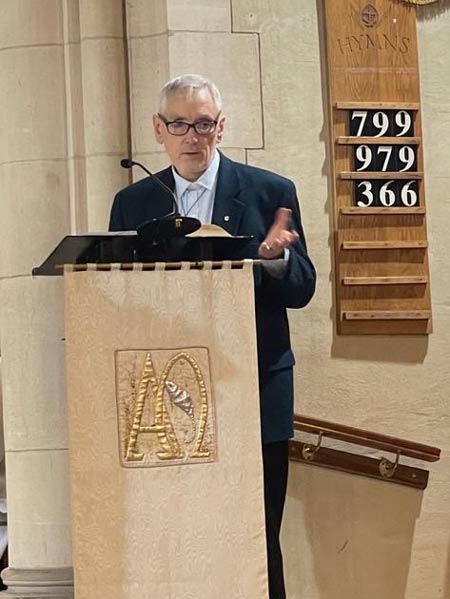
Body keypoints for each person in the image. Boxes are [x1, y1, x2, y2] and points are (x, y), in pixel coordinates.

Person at [110, 74, 316, 599]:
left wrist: (273, 262)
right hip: (167, 400)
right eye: (179, 124)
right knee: (180, 539)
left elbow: (303, 289)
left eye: (203, 124)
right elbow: (118, 301)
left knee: (256, 539)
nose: (192, 136)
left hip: (253, 388)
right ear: (158, 130)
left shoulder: (270, 192)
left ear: (221, 128)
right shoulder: (133, 204)